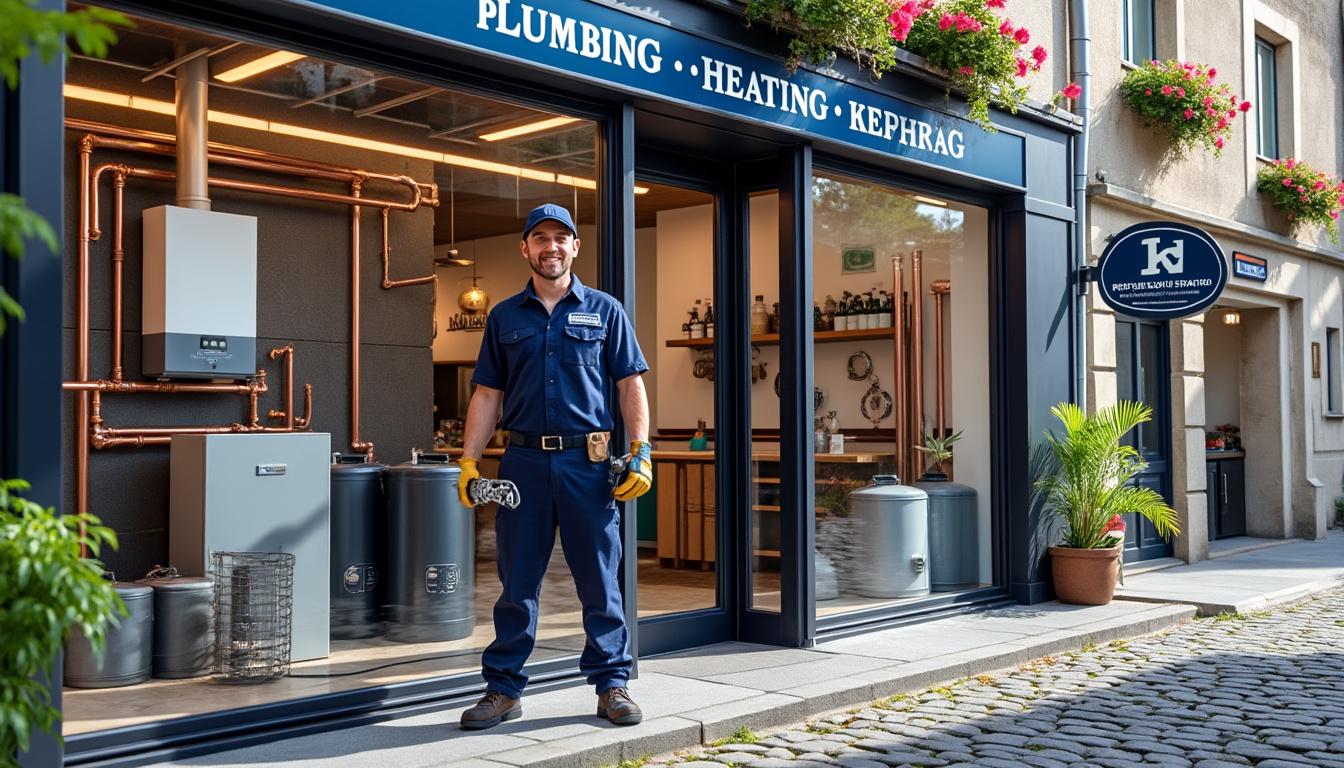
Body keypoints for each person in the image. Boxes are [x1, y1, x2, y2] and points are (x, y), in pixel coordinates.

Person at [456, 203, 653, 730]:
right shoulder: (503, 317)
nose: (551, 247)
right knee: (517, 582)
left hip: (589, 464)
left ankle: (612, 684)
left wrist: (641, 450)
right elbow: (487, 393)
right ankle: (502, 690)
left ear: (575, 247)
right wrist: (470, 461)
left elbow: (630, 384)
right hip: (521, 464)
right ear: (525, 249)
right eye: (539, 238)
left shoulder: (606, 310)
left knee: (598, 580)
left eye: (560, 238)